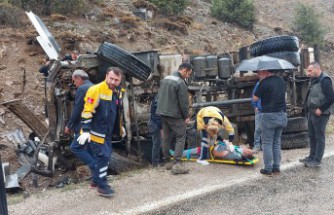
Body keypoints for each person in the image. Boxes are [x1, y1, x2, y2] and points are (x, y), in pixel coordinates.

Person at [77, 67, 123, 197]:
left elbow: (116, 111)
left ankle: (96, 181)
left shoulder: (116, 91)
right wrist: (85, 130)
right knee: (103, 157)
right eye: (111, 78)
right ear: (106, 76)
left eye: (116, 80)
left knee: (105, 156)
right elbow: (87, 111)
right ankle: (102, 186)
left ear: (120, 81)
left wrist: (120, 127)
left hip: (106, 133)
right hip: (94, 132)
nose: (113, 81)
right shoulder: (95, 90)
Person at [157, 62, 193, 175]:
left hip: (163, 113)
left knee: (166, 137)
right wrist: (186, 116)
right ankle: (177, 164)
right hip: (174, 114)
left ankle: (167, 162)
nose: (188, 76)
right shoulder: (180, 82)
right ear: (184, 70)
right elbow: (184, 102)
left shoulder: (165, 79)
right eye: (188, 74)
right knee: (181, 136)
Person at [253, 70, 287, 176]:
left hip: (269, 116)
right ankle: (276, 167)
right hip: (282, 115)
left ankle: (268, 168)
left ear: (266, 72)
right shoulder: (282, 81)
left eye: (260, 73)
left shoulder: (264, 83)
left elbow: (255, 98)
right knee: (276, 142)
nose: (258, 75)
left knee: (267, 143)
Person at [300, 62, 334, 167]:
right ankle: (311, 157)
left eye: (310, 71)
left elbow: (331, 98)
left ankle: (317, 160)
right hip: (312, 112)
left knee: (319, 137)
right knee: (312, 135)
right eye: (307, 71)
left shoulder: (325, 80)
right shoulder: (314, 80)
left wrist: (321, 108)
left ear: (317, 69)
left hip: (321, 113)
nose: (308, 73)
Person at [64, 70, 93, 171]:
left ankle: (95, 167)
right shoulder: (94, 87)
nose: (74, 84)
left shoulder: (82, 89)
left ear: (79, 78)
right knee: (90, 148)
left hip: (85, 125)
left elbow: (77, 108)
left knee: (75, 147)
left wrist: (69, 125)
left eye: (74, 81)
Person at [251, 71, 268, 153]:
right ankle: (257, 145)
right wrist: (255, 106)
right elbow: (254, 96)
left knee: (266, 128)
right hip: (260, 110)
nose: (259, 75)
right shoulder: (258, 84)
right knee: (258, 128)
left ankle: (264, 145)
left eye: (261, 73)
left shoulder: (268, 84)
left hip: (267, 110)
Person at [148, 94, 163, 167]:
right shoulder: (159, 99)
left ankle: (157, 162)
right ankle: (155, 164)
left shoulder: (157, 98)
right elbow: (158, 116)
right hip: (155, 124)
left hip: (153, 123)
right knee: (156, 144)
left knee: (157, 144)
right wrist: (161, 128)